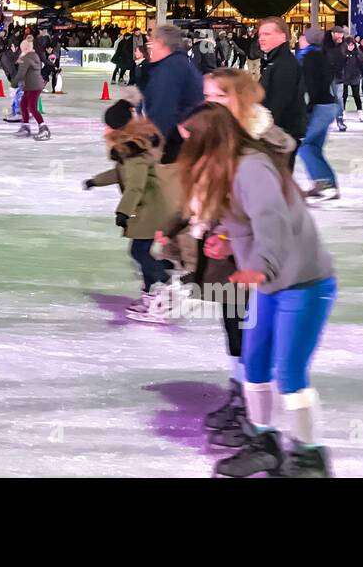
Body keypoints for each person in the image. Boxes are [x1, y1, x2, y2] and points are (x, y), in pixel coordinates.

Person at [176, 104, 337, 478]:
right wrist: (228, 242)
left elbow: (273, 223)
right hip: (270, 282)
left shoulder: (252, 169)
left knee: (291, 373)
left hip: (303, 282)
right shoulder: (228, 168)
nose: (187, 150)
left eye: (191, 141)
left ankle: (309, 457)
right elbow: (247, 222)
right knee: (256, 364)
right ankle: (264, 442)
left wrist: (257, 268)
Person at [195, 69, 298, 448]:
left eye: (217, 97)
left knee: (254, 330)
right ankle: (241, 396)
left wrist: (225, 234)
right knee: (234, 324)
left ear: (239, 98)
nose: (209, 103)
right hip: (225, 243)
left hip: (255, 250)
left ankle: (258, 417)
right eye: (206, 96)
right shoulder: (219, 136)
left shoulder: (265, 143)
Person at [83, 88, 174, 314]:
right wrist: (95, 181)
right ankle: (153, 288)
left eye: (108, 126)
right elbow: (119, 174)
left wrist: (122, 212)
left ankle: (164, 283)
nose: (105, 130)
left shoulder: (134, 152)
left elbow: (135, 185)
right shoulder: (129, 148)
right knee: (140, 251)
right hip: (147, 207)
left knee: (139, 252)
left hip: (150, 209)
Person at [141, 23, 204, 163]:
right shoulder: (179, 64)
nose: (150, 48)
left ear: (161, 43)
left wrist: (151, 141)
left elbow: (163, 109)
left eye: (152, 43)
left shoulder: (169, 69)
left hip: (175, 146)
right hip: (182, 141)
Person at [296, 26, 339, 200]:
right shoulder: (321, 55)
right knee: (314, 147)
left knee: (305, 146)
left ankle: (325, 182)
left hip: (320, 106)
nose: (299, 39)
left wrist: (308, 108)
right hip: (328, 105)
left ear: (308, 39)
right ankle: (324, 182)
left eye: (302, 37)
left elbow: (311, 85)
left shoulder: (310, 57)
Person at [257, 17, 306, 149]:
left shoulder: (284, 64)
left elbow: (280, 102)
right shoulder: (273, 61)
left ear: (283, 36)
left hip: (280, 136)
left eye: (267, 34)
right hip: (276, 134)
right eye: (260, 34)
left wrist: (264, 132)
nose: (261, 38)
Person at [13, 36, 50, 140]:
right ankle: (26, 126)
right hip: (30, 85)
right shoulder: (27, 56)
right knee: (23, 105)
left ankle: (44, 128)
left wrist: (13, 86)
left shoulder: (28, 57)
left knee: (32, 108)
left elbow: (21, 73)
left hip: (34, 86)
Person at [339, 36, 363, 123]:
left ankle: (360, 113)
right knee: (344, 96)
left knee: (356, 96)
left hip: (355, 77)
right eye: (349, 45)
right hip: (345, 77)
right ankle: (343, 112)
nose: (351, 47)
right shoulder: (342, 53)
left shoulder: (358, 53)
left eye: (352, 45)